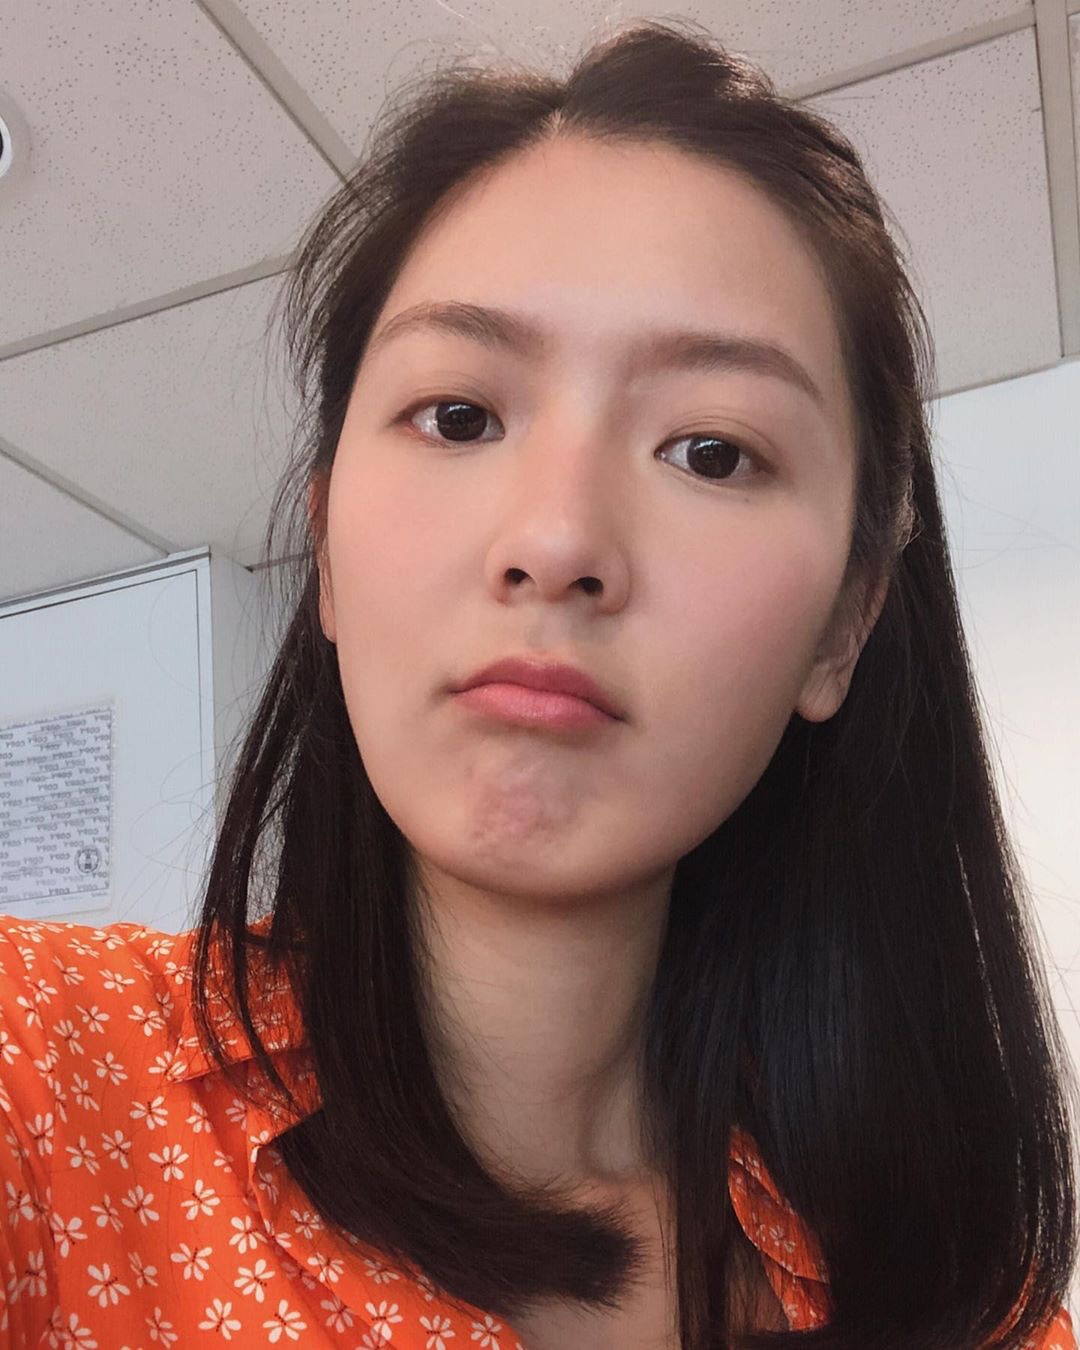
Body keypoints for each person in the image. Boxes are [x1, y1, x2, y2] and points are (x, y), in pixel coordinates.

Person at [0, 17, 1075, 1349]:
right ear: (327, 552)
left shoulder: (973, 1310)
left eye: (713, 451)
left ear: (843, 628)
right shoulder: (37, 1069)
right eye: (459, 416)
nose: (556, 539)